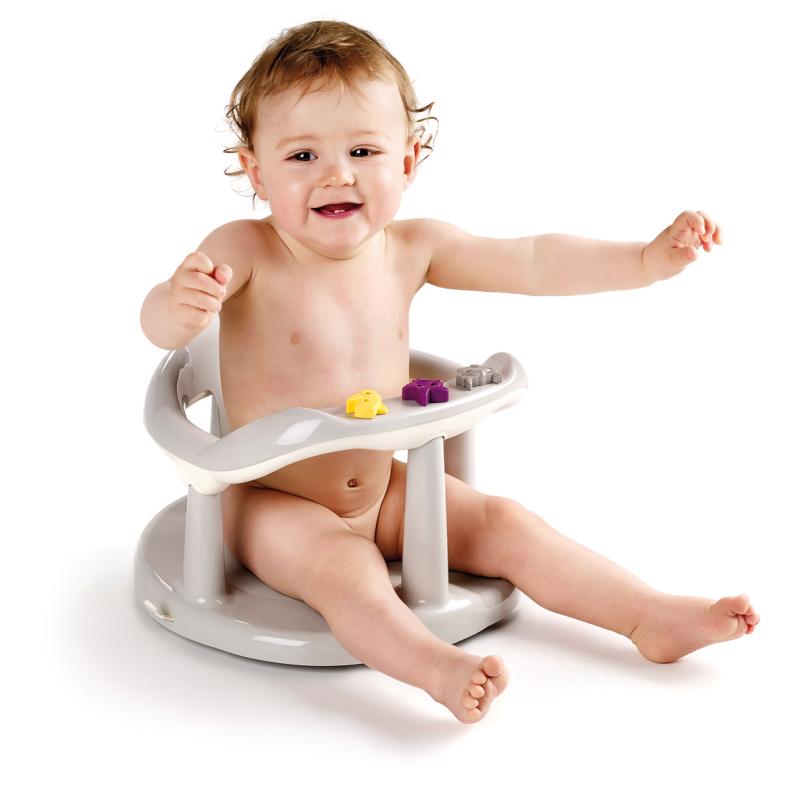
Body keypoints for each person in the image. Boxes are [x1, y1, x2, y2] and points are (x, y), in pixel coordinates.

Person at [139, 19, 759, 724]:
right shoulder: (244, 248)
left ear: (407, 161)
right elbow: (158, 326)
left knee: (504, 521)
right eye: (303, 155)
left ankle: (648, 615)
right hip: (273, 502)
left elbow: (531, 260)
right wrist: (178, 308)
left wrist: (645, 261)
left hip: (385, 489)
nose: (337, 174)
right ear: (256, 173)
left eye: (363, 150)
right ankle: (433, 666)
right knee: (347, 572)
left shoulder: (413, 248)